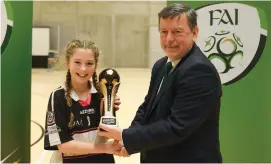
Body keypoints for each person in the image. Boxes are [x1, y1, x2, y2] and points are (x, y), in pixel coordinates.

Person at [98, 3, 223, 163]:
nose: (169, 39)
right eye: (164, 32)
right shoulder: (161, 65)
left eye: (177, 32)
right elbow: (147, 108)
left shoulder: (199, 71)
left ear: (194, 33)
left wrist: (126, 137)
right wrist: (129, 139)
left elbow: (176, 127)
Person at [44, 39, 122, 163]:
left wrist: (107, 110)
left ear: (96, 66)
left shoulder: (103, 94)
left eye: (89, 63)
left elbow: (107, 135)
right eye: (77, 62)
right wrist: (104, 148)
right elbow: (63, 145)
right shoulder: (58, 97)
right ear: (67, 64)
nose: (83, 69)